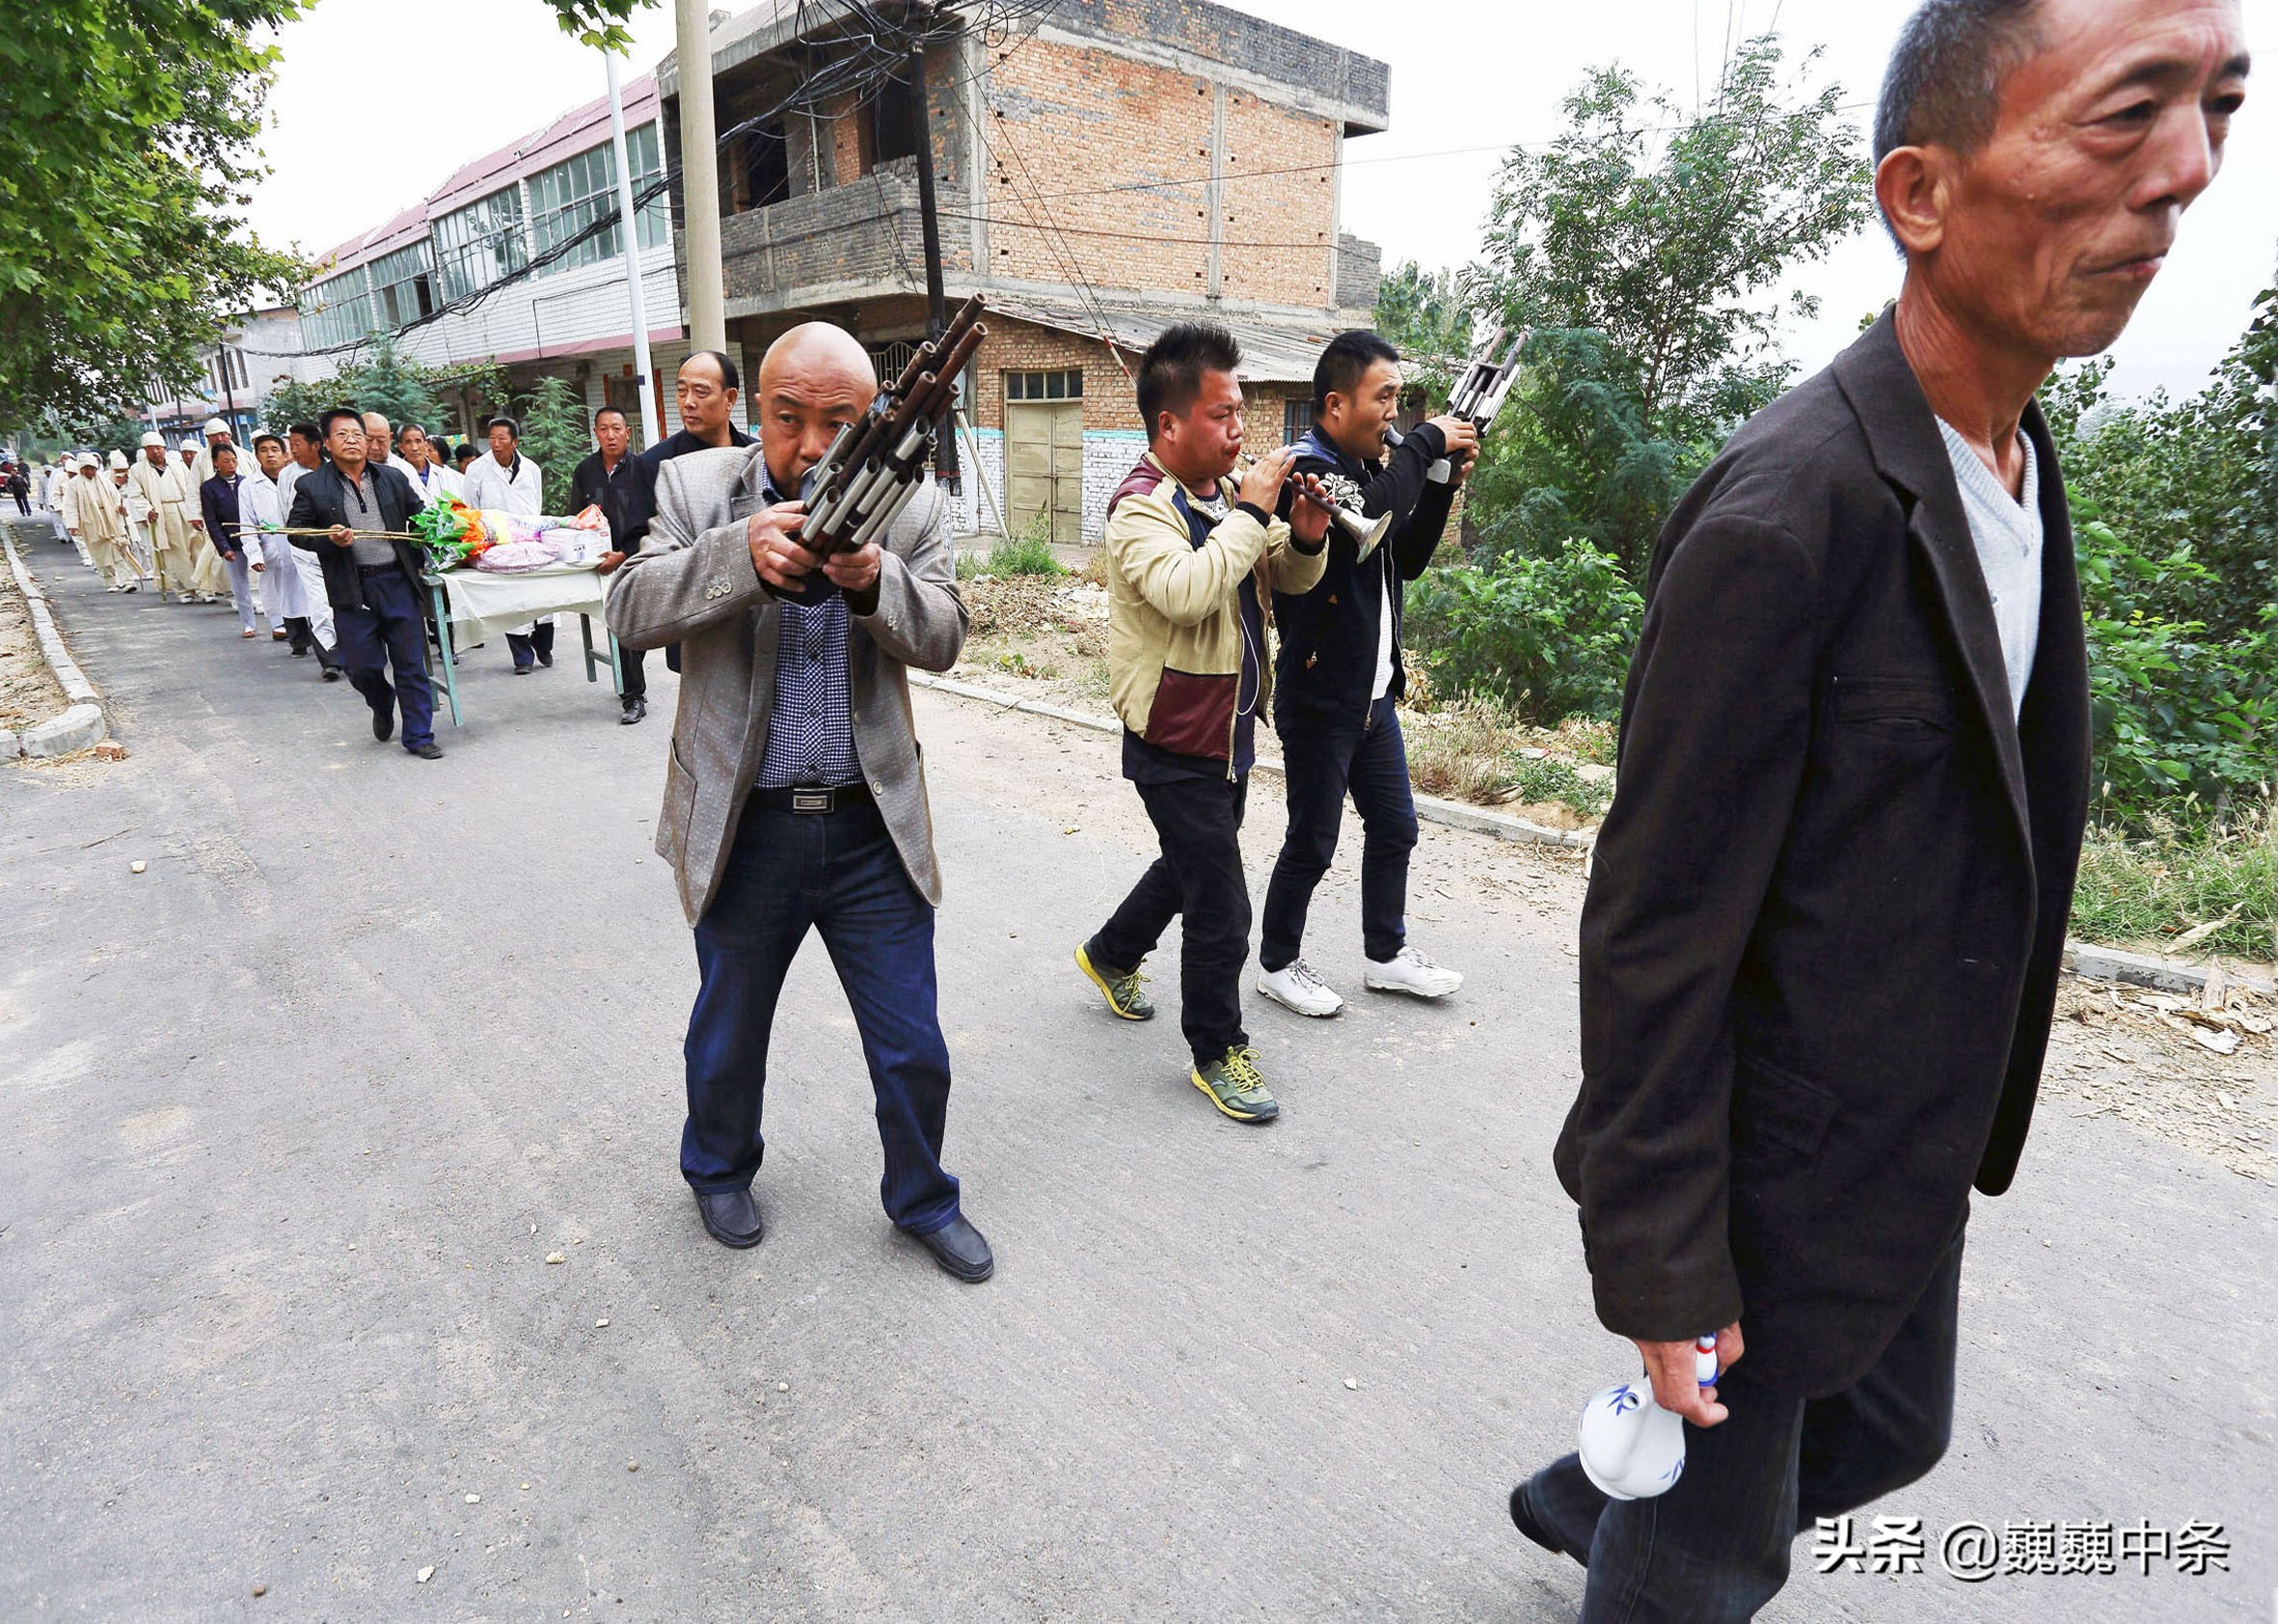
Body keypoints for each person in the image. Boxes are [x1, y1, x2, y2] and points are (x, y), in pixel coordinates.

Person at [1504, 3, 2248, 1618]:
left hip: (1899, 1148)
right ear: (1918, 195)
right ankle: (1640, 1511)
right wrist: (1662, 1263)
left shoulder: (2012, 449)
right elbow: (1651, 925)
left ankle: (1594, 1484)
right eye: (2125, 117)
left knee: (1890, 1432)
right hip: (1765, 1188)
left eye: (2217, 112)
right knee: (1705, 1560)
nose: (2183, 176)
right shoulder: (1788, 518)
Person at [604, 322, 992, 1283]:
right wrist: (737, 557)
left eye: (837, 421)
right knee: (728, 1030)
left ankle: (921, 1198)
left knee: (913, 1045)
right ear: (755, 410)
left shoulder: (908, 506)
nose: (812, 445)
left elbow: (943, 633)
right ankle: (718, 1168)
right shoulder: (696, 490)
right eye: (788, 418)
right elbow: (627, 607)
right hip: (747, 830)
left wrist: (876, 582)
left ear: (868, 421)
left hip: (868, 827)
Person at [1072, 323, 1331, 1124]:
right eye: (1222, 415)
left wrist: (1312, 534)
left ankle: (1110, 955)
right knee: (1222, 904)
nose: (1241, 431)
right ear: (1169, 425)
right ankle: (1216, 1050)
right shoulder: (1138, 511)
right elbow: (1188, 591)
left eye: (1241, 413)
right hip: (1174, 737)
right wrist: (1254, 513)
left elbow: (1280, 569)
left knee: (1190, 870)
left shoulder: (1223, 499)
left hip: (1230, 731)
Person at [1256, 331, 1480, 1017]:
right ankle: (1277, 963)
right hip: (1322, 698)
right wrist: (1425, 446)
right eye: (1383, 397)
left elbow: (1402, 555)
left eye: (1398, 398)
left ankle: (1385, 954)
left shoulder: (1373, 467)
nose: (1395, 411)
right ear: (1334, 403)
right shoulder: (1314, 471)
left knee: (1396, 827)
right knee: (1313, 841)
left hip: (1373, 698)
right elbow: (1375, 507)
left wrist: (1440, 479)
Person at [286, 407, 444, 759]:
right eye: (342, 435)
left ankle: (419, 735)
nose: (353, 440)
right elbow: (296, 532)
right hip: (351, 588)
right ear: (327, 443)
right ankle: (381, 699)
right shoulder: (312, 486)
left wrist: (433, 542)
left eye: (358, 434)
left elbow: (420, 520)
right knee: (361, 666)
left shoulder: (392, 478)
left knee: (410, 662)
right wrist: (328, 539)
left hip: (396, 581)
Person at [637, 350, 756, 677]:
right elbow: (646, 556)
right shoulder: (655, 466)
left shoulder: (755, 457)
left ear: (730, 397)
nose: (688, 401)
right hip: (693, 617)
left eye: (700, 391)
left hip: (755, 613)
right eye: (681, 390)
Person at [572, 404, 655, 723]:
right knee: (622, 628)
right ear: (595, 433)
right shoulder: (584, 471)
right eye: (604, 429)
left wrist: (626, 553)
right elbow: (577, 518)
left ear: (627, 432)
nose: (610, 435)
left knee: (637, 629)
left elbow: (656, 520)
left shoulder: (643, 469)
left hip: (638, 559)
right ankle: (633, 696)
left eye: (616, 428)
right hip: (601, 562)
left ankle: (630, 680)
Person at [462, 415, 552, 671]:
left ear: (515, 441)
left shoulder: (531, 469)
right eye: (492, 438)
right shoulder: (477, 470)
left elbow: (537, 504)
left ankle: (544, 645)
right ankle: (522, 657)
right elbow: (470, 509)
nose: (496, 444)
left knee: (543, 598)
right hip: (497, 545)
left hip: (530, 540)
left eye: (502, 438)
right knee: (511, 601)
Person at [277, 422, 343, 678]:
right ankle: (330, 660)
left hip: (340, 547)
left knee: (345, 602)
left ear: (316, 446)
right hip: (307, 550)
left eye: (297, 445)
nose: (292, 450)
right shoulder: (288, 476)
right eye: (290, 445)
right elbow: (285, 512)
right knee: (319, 605)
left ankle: (354, 652)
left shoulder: (334, 470)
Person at [241, 432, 306, 647]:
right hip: (271, 547)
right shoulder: (249, 486)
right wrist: (254, 554)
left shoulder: (298, 478)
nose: (270, 455)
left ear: (285, 454)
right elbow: (247, 523)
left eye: (274, 450)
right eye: (263, 450)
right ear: (256, 456)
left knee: (307, 594)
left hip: (302, 545)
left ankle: (315, 636)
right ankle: (290, 634)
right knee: (280, 593)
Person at [198, 443, 261, 637]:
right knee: (239, 585)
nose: (231, 465)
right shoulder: (209, 488)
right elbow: (212, 521)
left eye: (234, 460)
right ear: (216, 463)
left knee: (267, 581)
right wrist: (223, 547)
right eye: (226, 461)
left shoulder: (247, 482)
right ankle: (248, 624)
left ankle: (279, 622)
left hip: (254, 537)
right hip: (232, 541)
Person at [129, 433, 198, 603]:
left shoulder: (178, 466)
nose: (156, 452)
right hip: (161, 513)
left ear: (164, 448)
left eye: (159, 448)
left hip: (184, 509)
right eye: (151, 449)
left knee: (194, 547)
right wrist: (147, 510)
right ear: (145, 450)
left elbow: (192, 488)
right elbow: (136, 495)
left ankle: (202, 586)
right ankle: (184, 590)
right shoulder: (138, 470)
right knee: (173, 553)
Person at [65, 452, 135, 590]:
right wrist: (72, 524)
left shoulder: (104, 481)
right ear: (81, 469)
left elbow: (115, 497)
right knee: (100, 553)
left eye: (92, 468)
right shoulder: (74, 485)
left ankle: (127, 581)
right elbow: (71, 505)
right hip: (91, 521)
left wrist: (120, 509)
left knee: (119, 549)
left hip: (110, 519)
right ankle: (110, 581)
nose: (90, 472)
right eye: (87, 468)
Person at [181, 437, 231, 603]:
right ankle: (212, 588)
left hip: (236, 514)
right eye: (215, 435)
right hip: (210, 514)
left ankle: (221, 588)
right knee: (215, 553)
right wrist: (194, 514)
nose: (220, 438)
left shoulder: (243, 455)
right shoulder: (200, 460)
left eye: (224, 434)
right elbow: (193, 489)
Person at [395, 421, 463, 508]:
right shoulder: (396, 476)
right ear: (401, 448)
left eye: (418, 441)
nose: (414, 448)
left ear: (425, 444)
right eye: (408, 442)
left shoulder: (445, 476)